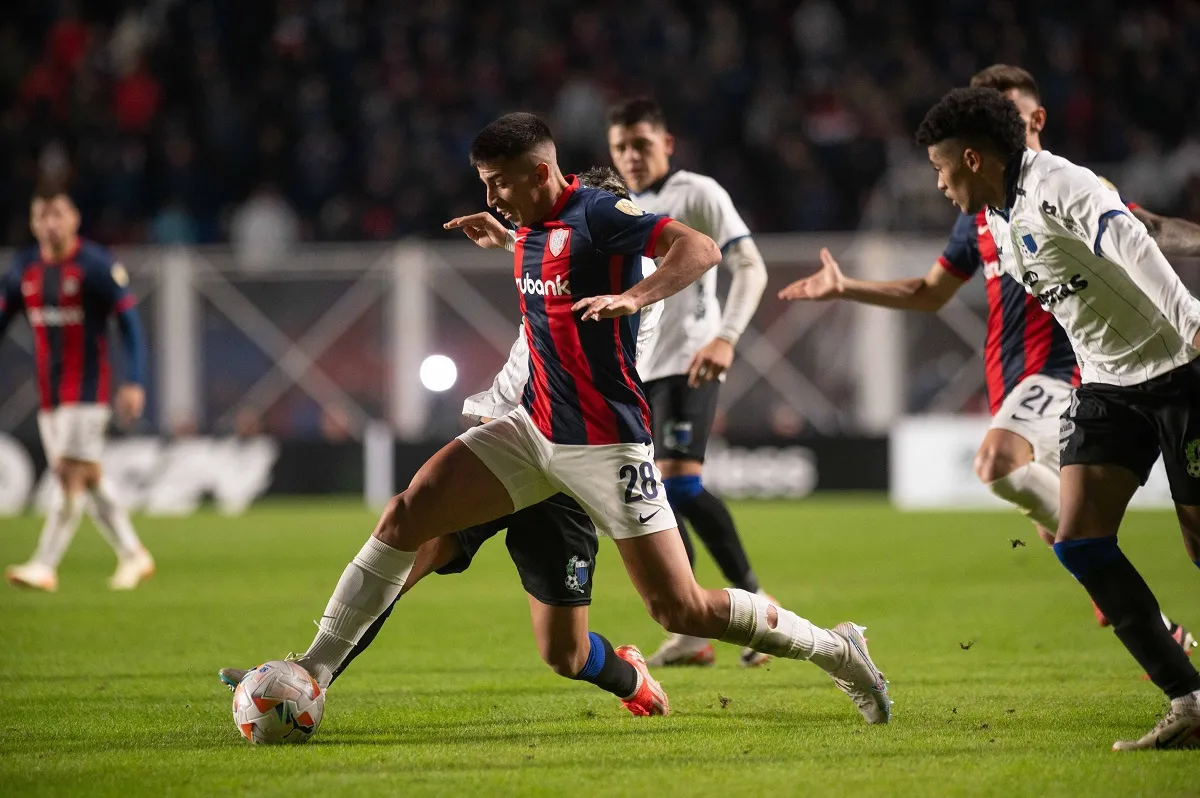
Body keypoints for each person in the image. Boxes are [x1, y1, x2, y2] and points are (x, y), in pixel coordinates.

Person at [225, 113, 891, 726]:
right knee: (408, 515)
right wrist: (508, 233)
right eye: (484, 186)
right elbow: (547, 245)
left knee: (678, 608)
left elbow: (699, 250)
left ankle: (837, 650)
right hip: (531, 429)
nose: (490, 199)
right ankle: (311, 671)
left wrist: (633, 295)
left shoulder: (601, 212)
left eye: (498, 186)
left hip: (605, 444)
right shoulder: (536, 227)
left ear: (540, 174)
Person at [223, 167, 673, 718]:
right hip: (504, 439)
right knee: (406, 543)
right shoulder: (558, 259)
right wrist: (511, 238)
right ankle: (308, 674)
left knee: (565, 652)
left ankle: (630, 677)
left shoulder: (636, 285)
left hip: (567, 467)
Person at [779, 65, 1195, 650]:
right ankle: (1162, 651)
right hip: (1014, 381)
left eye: (1009, 116)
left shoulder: (1071, 187)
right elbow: (931, 293)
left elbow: (1142, 233)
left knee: (999, 465)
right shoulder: (981, 218)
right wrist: (846, 286)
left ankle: (1130, 605)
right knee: (1070, 536)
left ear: (1033, 122)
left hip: (1072, 373)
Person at [915, 85, 1200, 750]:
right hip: (1107, 384)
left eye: (939, 166)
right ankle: (1188, 700)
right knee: (1080, 542)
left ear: (974, 158)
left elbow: (1128, 240)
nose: (937, 183)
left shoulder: (1061, 184)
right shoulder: (994, 217)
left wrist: (1192, 325)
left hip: (1179, 371)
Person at [606, 97, 775, 668]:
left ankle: (756, 602)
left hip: (690, 360)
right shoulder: (618, 206)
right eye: (621, 147)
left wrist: (725, 336)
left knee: (678, 484)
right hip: (639, 371)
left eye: (641, 145)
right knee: (658, 498)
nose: (631, 156)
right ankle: (691, 626)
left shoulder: (697, 193)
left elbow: (750, 265)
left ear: (667, 144)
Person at [0, 184, 154, 592]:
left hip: (88, 389)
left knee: (68, 473)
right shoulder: (23, 269)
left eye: (58, 215)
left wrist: (135, 380)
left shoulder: (95, 265)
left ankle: (44, 565)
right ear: (33, 223)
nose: (50, 224)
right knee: (86, 475)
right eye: (42, 216)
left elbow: (131, 326)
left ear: (74, 219)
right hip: (49, 393)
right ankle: (134, 554)